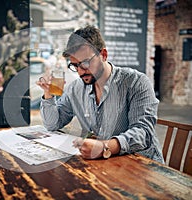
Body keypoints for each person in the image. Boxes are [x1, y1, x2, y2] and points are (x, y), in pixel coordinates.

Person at [36, 25, 164, 163]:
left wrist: (104, 146)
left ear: (103, 55)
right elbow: (53, 125)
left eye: (85, 63)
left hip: (143, 165)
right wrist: (48, 95)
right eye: (75, 65)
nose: (80, 72)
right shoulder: (76, 88)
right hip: (107, 164)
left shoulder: (136, 82)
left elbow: (143, 133)